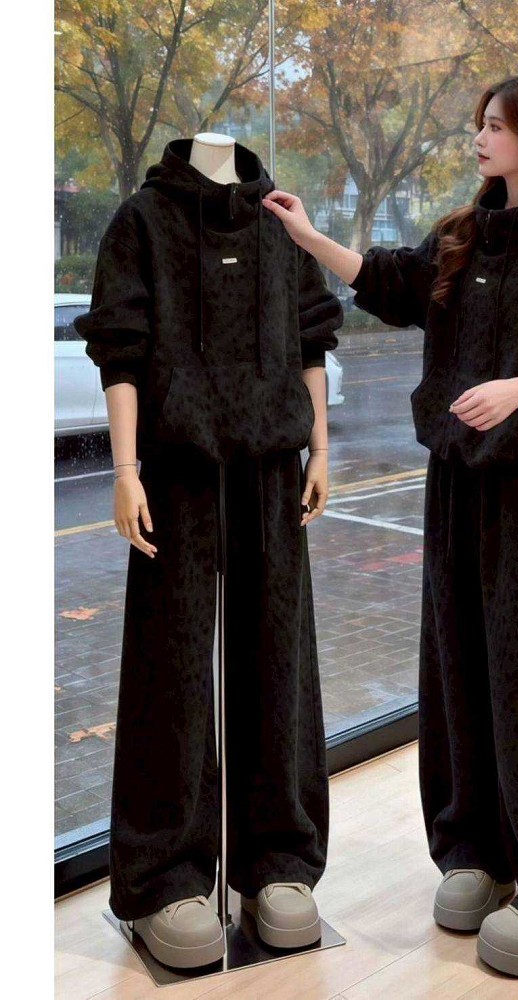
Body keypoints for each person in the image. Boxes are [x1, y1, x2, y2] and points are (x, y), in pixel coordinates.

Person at [261, 72, 518, 979]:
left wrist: (515, 390)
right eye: (481, 123)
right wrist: (309, 235)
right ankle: (475, 851)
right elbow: (390, 284)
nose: (481, 137)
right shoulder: (464, 233)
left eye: (497, 125)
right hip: (452, 483)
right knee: (456, 671)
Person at [74, 137, 343, 967]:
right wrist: (125, 470)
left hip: (273, 469)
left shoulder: (280, 224)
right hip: (175, 471)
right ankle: (165, 875)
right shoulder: (141, 220)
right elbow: (119, 349)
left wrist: (321, 449)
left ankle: (278, 863)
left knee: (278, 661)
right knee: (172, 667)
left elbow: (311, 341)